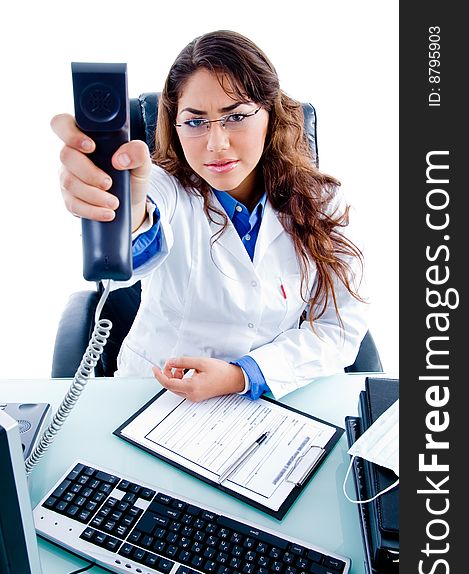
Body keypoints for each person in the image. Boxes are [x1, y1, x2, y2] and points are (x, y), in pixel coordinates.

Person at [51, 30, 368, 402]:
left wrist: (242, 375)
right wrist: (124, 211)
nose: (216, 144)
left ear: (270, 115)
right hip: (154, 395)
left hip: (271, 395)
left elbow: (339, 328)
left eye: (235, 116)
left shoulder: (321, 200)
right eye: (196, 121)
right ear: (175, 124)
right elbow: (139, 233)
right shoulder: (164, 186)